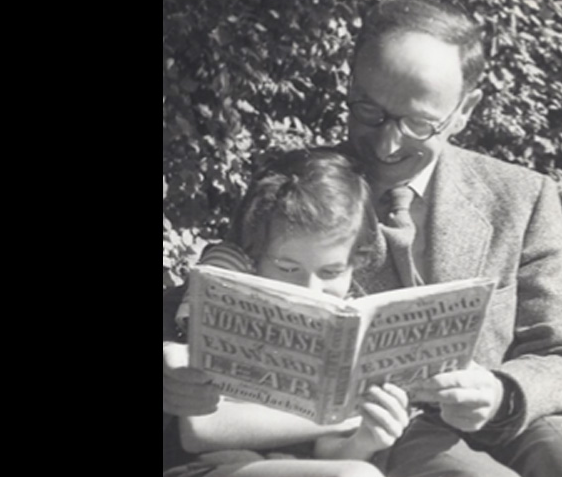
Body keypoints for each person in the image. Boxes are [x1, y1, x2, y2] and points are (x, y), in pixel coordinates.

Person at [343, 0, 562, 477]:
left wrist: (502, 394)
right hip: (371, 432)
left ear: (464, 110)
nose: (386, 144)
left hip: (500, 419)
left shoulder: (520, 197)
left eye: (417, 124)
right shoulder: (299, 188)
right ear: (349, 81)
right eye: (367, 110)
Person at [163, 148, 407, 477]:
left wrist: (367, 435)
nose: (310, 290)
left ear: (355, 262)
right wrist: (345, 415)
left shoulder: (349, 322)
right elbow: (202, 428)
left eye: (331, 272)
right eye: (288, 268)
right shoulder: (218, 298)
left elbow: (330, 456)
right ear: (254, 256)